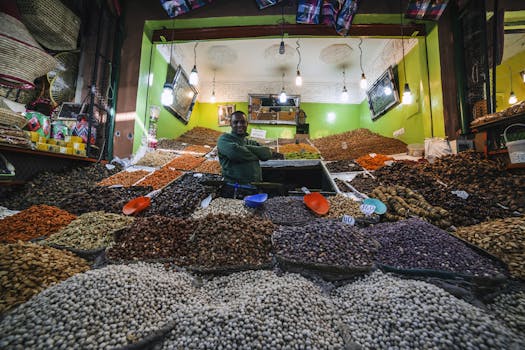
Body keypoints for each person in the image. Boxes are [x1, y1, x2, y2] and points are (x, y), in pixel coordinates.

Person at [217, 111, 272, 185]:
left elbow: (267, 153)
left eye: (243, 122)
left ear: (247, 123)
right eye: (236, 122)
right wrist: (257, 155)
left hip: (255, 186)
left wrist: (244, 148)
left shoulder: (250, 142)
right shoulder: (224, 139)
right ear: (230, 124)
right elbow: (235, 153)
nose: (239, 125)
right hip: (235, 188)